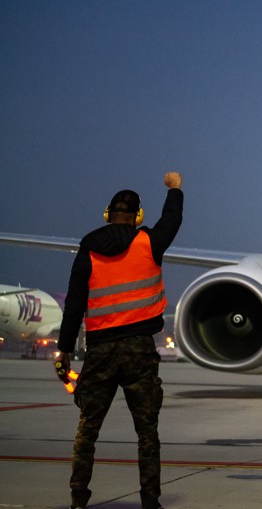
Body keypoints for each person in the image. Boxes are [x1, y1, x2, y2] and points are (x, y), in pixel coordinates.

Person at [54, 172, 183, 509]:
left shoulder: (89, 250)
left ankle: (79, 499)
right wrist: (175, 189)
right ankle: (150, 501)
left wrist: (64, 350)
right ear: (138, 216)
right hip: (139, 351)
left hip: (100, 351)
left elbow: (75, 305)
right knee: (147, 433)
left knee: (88, 430)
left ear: (107, 214)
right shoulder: (150, 242)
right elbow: (172, 219)